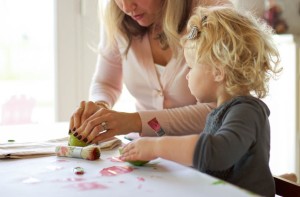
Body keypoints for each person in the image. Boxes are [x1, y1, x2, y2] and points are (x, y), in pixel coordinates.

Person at [120, 6, 282, 197]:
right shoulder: (221, 111)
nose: (187, 76)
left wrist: (157, 147)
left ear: (218, 71)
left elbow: (216, 153)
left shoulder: (246, 112)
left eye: (191, 67)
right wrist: (158, 135)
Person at [69, 0, 232, 144]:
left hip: (203, 158)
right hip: (146, 154)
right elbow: (106, 83)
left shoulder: (214, 12)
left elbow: (216, 111)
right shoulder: (118, 17)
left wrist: (135, 122)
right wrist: (100, 107)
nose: (126, 7)